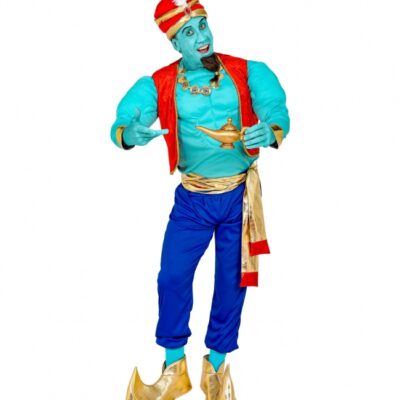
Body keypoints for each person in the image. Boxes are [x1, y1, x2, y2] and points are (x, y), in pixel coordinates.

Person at [110, 1, 290, 398]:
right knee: (172, 277)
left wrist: (272, 128)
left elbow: (276, 108)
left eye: (203, 26)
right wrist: (128, 132)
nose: (202, 37)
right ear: (175, 43)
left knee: (231, 281)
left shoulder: (249, 71)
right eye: (189, 33)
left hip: (239, 198)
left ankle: (216, 369)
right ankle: (174, 367)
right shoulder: (160, 83)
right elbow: (125, 117)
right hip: (192, 200)